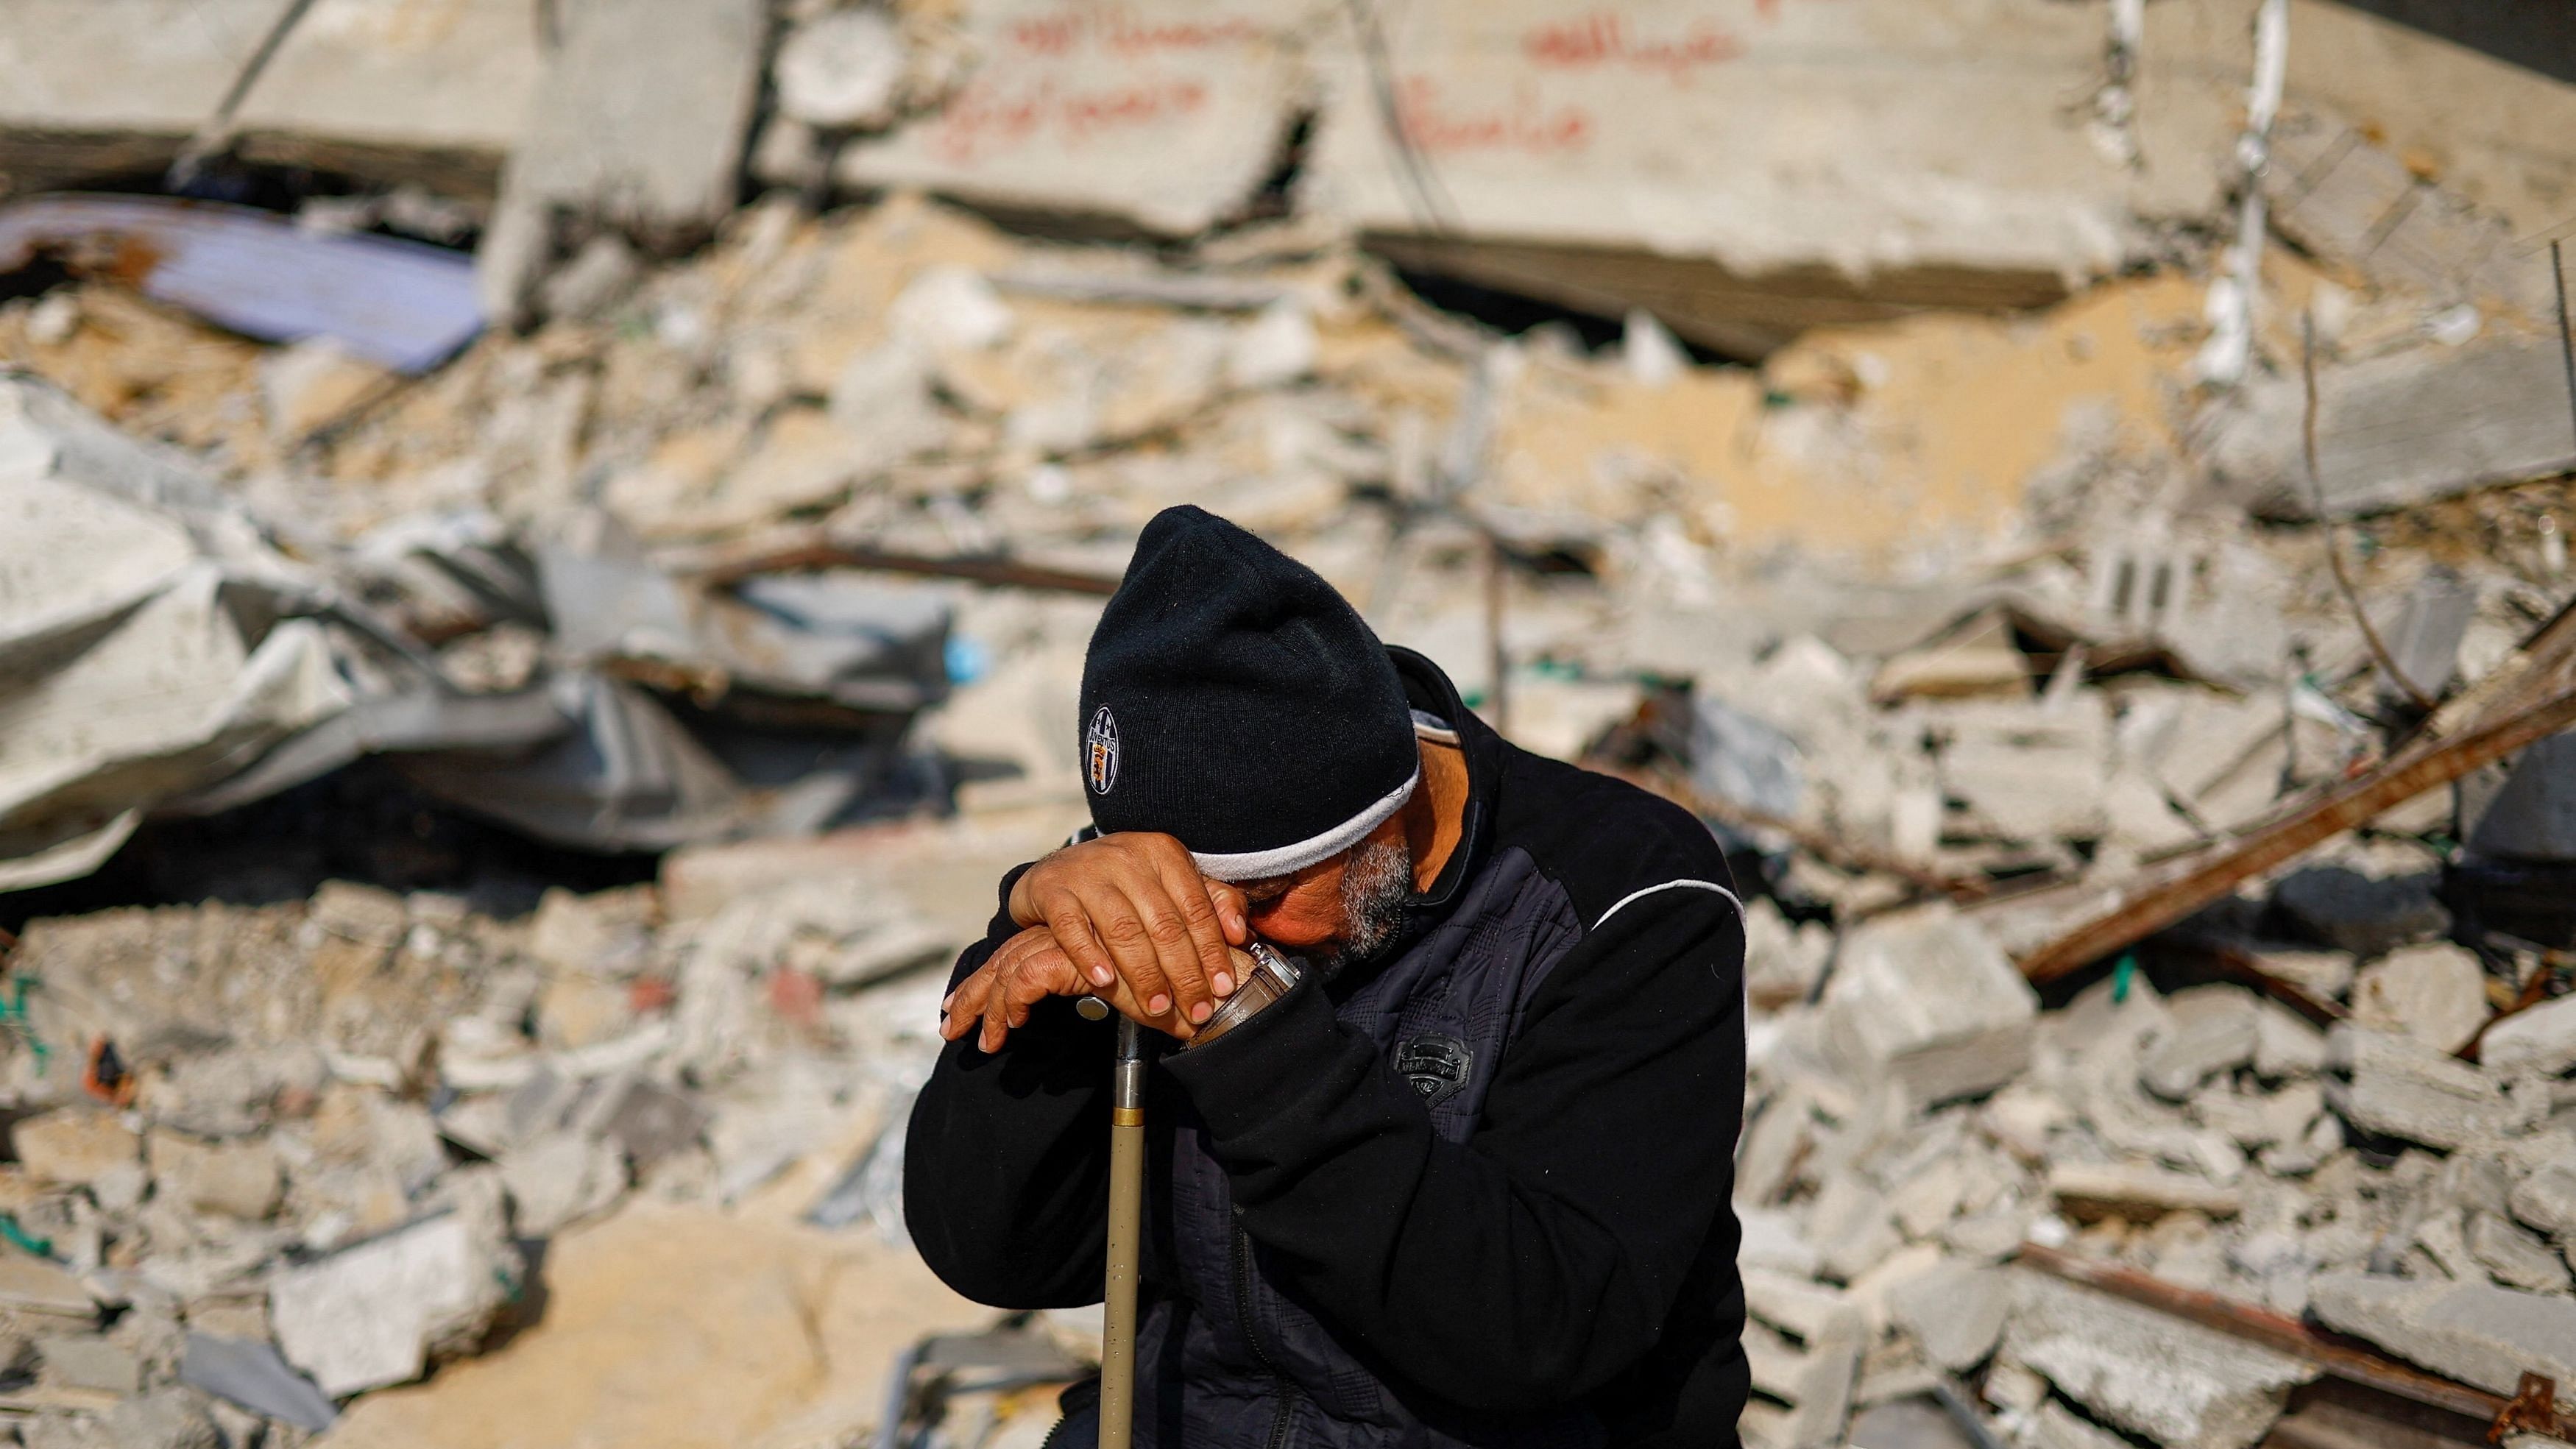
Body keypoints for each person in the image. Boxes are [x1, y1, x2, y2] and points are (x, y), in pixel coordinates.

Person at [905, 506, 1749, 1448]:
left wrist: (1255, 1038)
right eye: (1181, 889)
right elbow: (996, 1256)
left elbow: (1539, 1330)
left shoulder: (1623, 896)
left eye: (1258, 896)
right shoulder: (1151, 891)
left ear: (1382, 824)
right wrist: (1039, 989)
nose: (1214, 928)